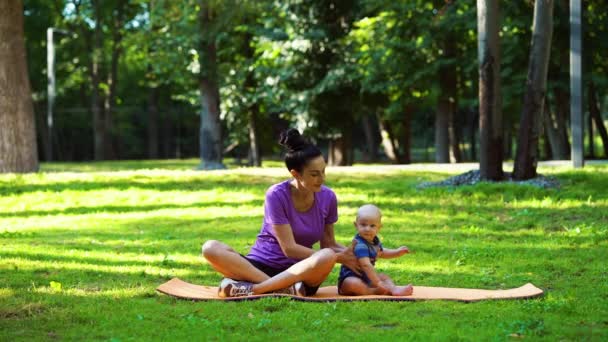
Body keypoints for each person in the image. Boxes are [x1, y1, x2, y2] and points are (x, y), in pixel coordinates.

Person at [202, 128, 359, 297]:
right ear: (295, 174)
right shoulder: (276, 195)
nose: (322, 179)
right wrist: (338, 257)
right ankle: (276, 289)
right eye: (314, 174)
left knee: (327, 255)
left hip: (301, 273)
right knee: (210, 248)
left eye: (323, 171)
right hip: (260, 267)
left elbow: (329, 244)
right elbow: (289, 249)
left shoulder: (328, 197)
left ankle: (255, 289)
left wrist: (353, 254)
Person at [338, 204, 413, 296]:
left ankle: (393, 289)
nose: (367, 229)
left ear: (379, 228)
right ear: (356, 225)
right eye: (363, 225)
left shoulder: (374, 241)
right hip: (350, 278)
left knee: (384, 277)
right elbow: (365, 265)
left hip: (367, 277)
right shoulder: (360, 245)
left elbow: (381, 252)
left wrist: (397, 252)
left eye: (372, 226)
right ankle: (373, 291)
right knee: (353, 283)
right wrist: (378, 283)